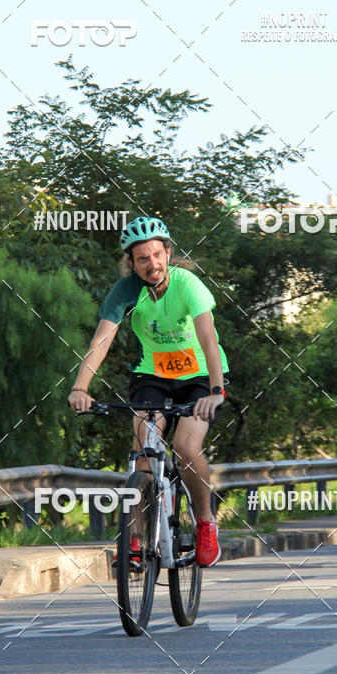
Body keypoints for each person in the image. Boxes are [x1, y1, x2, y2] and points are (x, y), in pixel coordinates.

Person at [69, 216, 229, 567]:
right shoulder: (126, 290)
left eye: (157, 255)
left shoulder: (188, 284)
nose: (152, 264)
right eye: (143, 259)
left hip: (199, 377)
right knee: (144, 448)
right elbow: (102, 339)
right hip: (151, 376)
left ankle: (205, 521)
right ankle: (137, 541)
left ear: (168, 253)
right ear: (132, 262)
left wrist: (216, 390)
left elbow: (208, 337)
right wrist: (81, 386)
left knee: (187, 446)